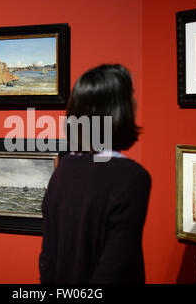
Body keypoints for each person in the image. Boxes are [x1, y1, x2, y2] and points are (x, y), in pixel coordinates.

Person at [39, 64, 151, 284]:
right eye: (130, 97)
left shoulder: (64, 169)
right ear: (118, 110)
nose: (135, 103)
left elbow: (47, 261)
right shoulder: (132, 179)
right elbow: (115, 270)